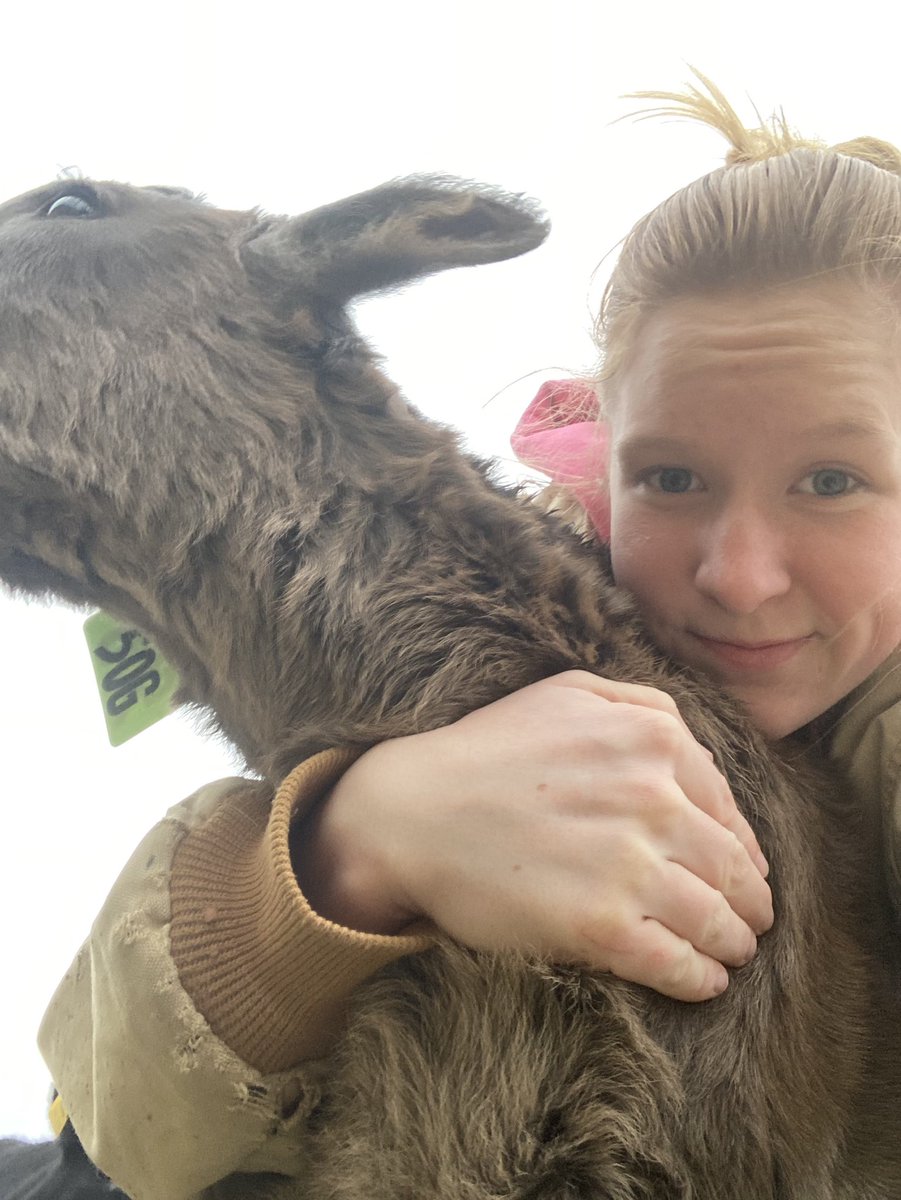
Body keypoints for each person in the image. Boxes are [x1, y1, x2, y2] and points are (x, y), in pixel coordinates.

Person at [36, 74, 901, 1200]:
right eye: (672, 478)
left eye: (831, 481)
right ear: (604, 458)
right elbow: (106, 1121)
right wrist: (349, 855)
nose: (738, 576)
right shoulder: (480, 660)